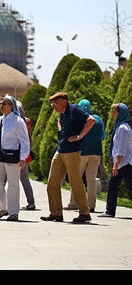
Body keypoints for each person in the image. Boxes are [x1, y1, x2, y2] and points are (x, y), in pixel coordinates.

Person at [41, 92, 96, 223]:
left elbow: (91, 120)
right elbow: (61, 123)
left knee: (75, 182)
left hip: (72, 152)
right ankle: (56, 213)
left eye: (55, 103)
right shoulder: (63, 114)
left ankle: (84, 213)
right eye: (52, 104)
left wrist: (79, 136)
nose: (53, 106)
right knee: (52, 183)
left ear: (64, 102)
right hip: (60, 151)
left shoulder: (75, 110)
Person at [0, 95, 30, 221]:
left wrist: (23, 158)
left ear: (11, 106)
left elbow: (24, 141)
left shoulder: (18, 121)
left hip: (12, 157)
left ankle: (13, 212)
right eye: (0, 103)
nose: (1, 106)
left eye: (4, 103)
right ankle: (4, 207)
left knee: (13, 184)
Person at [65, 99, 106, 212]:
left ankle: (73, 203)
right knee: (91, 179)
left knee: (76, 178)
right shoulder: (98, 119)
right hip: (96, 153)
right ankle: (91, 205)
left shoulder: (82, 120)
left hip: (82, 153)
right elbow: (103, 135)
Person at [99, 103, 132, 218]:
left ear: (121, 113)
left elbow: (121, 148)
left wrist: (116, 163)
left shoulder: (123, 128)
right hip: (121, 163)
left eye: (115, 111)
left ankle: (110, 211)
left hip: (125, 163)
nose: (113, 114)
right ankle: (110, 211)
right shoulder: (120, 127)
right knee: (112, 184)